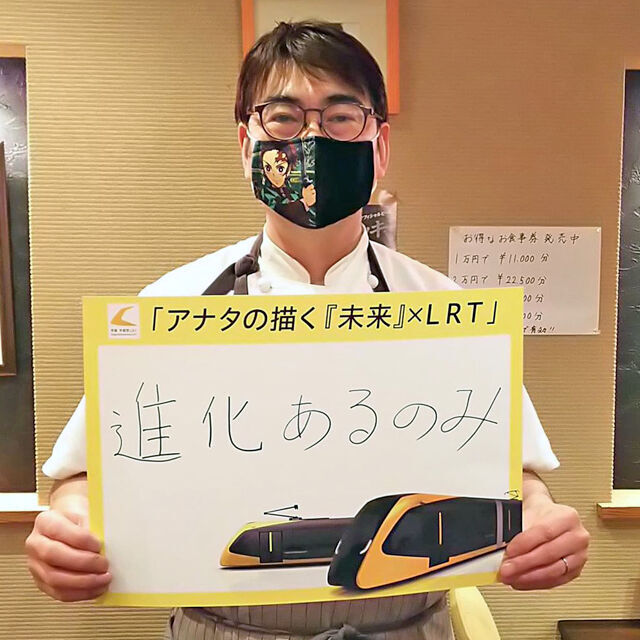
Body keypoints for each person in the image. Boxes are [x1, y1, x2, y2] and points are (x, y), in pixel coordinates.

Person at [26, 20, 590, 640]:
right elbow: (83, 478)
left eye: (342, 117)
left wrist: (542, 523)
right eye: (284, 118)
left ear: (379, 146)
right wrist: (68, 527)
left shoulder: (447, 311)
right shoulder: (171, 308)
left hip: (406, 626)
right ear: (246, 144)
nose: (313, 138)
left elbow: (515, 477)